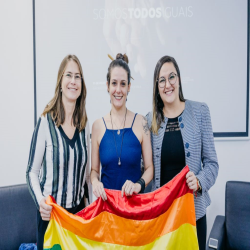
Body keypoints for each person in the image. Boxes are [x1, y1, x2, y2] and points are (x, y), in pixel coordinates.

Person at [145, 55, 219, 250]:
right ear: (156, 86)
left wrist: (200, 181)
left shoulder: (200, 111)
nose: (167, 84)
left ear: (179, 80)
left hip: (193, 215)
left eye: (172, 77)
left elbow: (212, 164)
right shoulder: (149, 120)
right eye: (161, 80)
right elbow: (146, 169)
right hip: (162, 218)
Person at [26, 55, 92, 250]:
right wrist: (40, 202)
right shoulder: (46, 121)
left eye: (78, 76)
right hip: (50, 219)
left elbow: (87, 176)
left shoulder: (85, 125)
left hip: (77, 219)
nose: (73, 81)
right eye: (68, 75)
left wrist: (90, 207)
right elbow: (31, 172)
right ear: (60, 82)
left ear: (82, 85)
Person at [91, 53, 153, 200]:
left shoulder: (142, 122)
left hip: (134, 211)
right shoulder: (97, 126)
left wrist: (138, 185)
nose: (118, 90)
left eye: (123, 84)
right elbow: (94, 170)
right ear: (107, 86)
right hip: (107, 212)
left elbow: (150, 168)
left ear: (129, 87)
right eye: (114, 83)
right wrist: (95, 182)